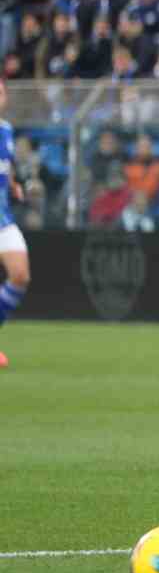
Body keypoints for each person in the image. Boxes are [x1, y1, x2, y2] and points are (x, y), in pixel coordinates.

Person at [0, 81, 30, 366]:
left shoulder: (6, 130)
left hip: (2, 217)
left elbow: (4, 166)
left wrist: (12, 185)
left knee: (20, 274)